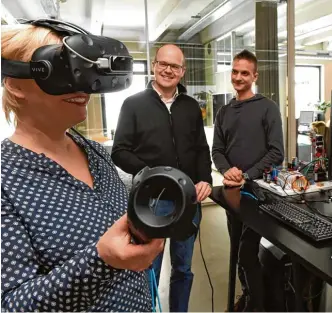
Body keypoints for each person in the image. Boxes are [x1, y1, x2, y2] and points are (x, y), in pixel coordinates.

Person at [0, 24, 165, 312]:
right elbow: (13, 305)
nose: (81, 85)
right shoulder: (6, 178)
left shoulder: (94, 152)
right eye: (63, 71)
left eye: (83, 70)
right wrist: (101, 261)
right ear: (14, 83)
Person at [111, 44, 213, 312]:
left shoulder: (191, 106)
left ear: (182, 72)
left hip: (188, 200)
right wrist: (150, 174)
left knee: (183, 268)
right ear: (154, 66)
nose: (168, 70)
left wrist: (205, 180)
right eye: (163, 64)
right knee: (148, 268)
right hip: (151, 201)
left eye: (175, 66)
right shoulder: (133, 104)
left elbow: (201, 148)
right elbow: (119, 151)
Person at [212, 49, 285, 311]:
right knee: (237, 251)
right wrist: (228, 171)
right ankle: (248, 295)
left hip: (260, 193)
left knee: (246, 251)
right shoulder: (223, 112)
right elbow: (217, 151)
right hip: (233, 191)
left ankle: (257, 304)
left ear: (254, 76)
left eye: (244, 73)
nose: (238, 77)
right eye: (235, 71)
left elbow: (277, 152)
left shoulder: (267, 108)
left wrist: (247, 175)